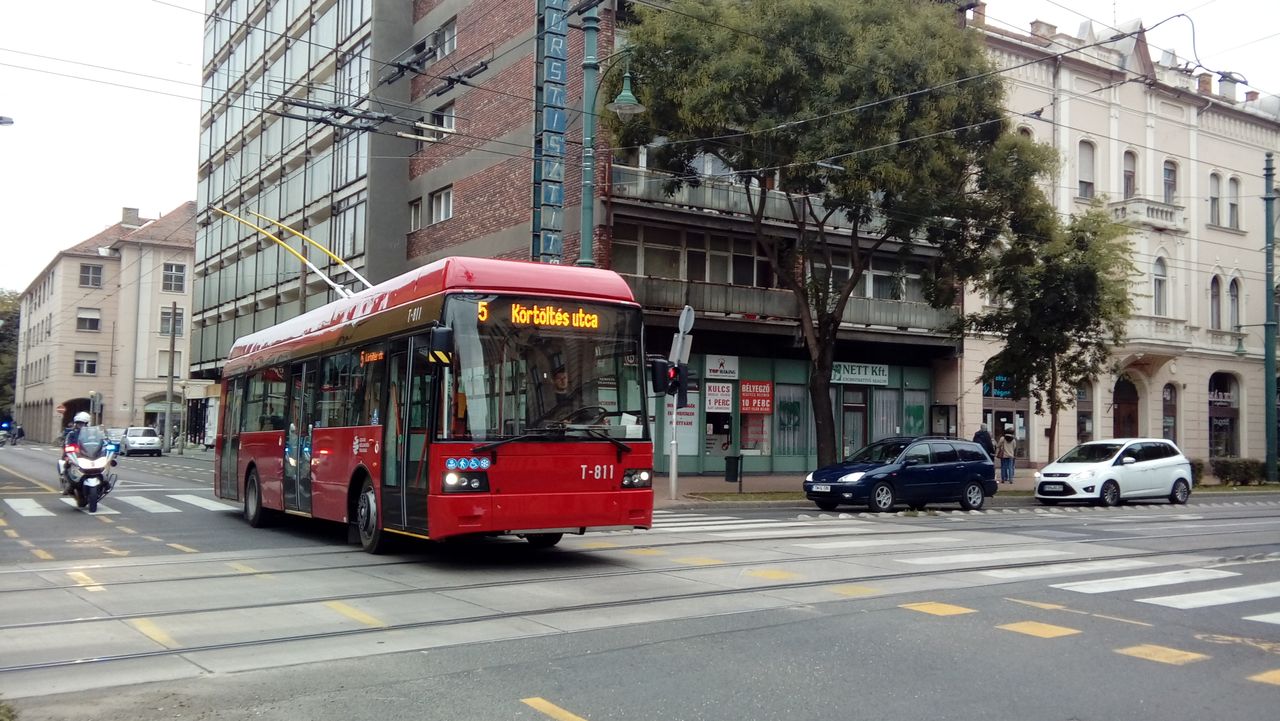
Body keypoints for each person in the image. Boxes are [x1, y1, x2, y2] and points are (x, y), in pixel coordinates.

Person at [59, 412, 92, 494]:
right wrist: (68, 450)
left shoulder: (91, 433)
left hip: (89, 454)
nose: (80, 425)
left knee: (103, 462)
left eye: (82, 423)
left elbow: (98, 441)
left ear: (87, 423)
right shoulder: (72, 433)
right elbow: (67, 443)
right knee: (66, 464)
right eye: (78, 423)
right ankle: (69, 484)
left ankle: (105, 480)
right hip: (75, 454)